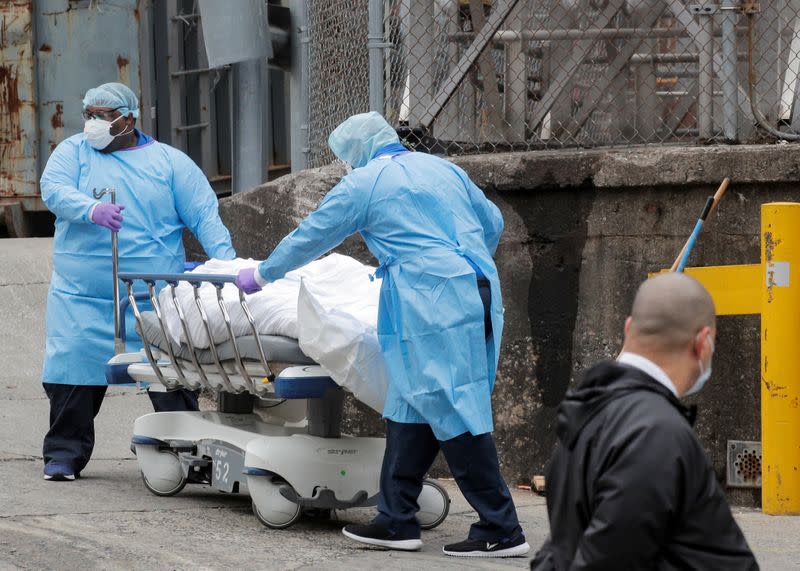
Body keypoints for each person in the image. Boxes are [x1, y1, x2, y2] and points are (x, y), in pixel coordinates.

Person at [235, 112, 529, 558]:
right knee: (410, 402)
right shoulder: (443, 168)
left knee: (453, 404)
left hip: (433, 297)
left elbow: (313, 235)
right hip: (475, 285)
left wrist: (262, 274)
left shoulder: (364, 183)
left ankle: (502, 528)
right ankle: (396, 519)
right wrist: (460, 256)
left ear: (353, 154)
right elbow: (491, 223)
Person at [40, 82, 236, 482]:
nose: (93, 123)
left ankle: (184, 453)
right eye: (89, 114)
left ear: (128, 118)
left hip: (153, 297)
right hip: (82, 299)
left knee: (172, 378)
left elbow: (204, 215)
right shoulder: (72, 153)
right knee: (73, 378)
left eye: (104, 115)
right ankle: (63, 455)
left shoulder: (169, 163)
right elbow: (54, 190)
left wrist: (227, 266)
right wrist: (90, 209)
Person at [530, 273, 758, 570]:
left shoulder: (586, 415)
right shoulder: (656, 435)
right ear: (703, 342)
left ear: (628, 329)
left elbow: (563, 547)